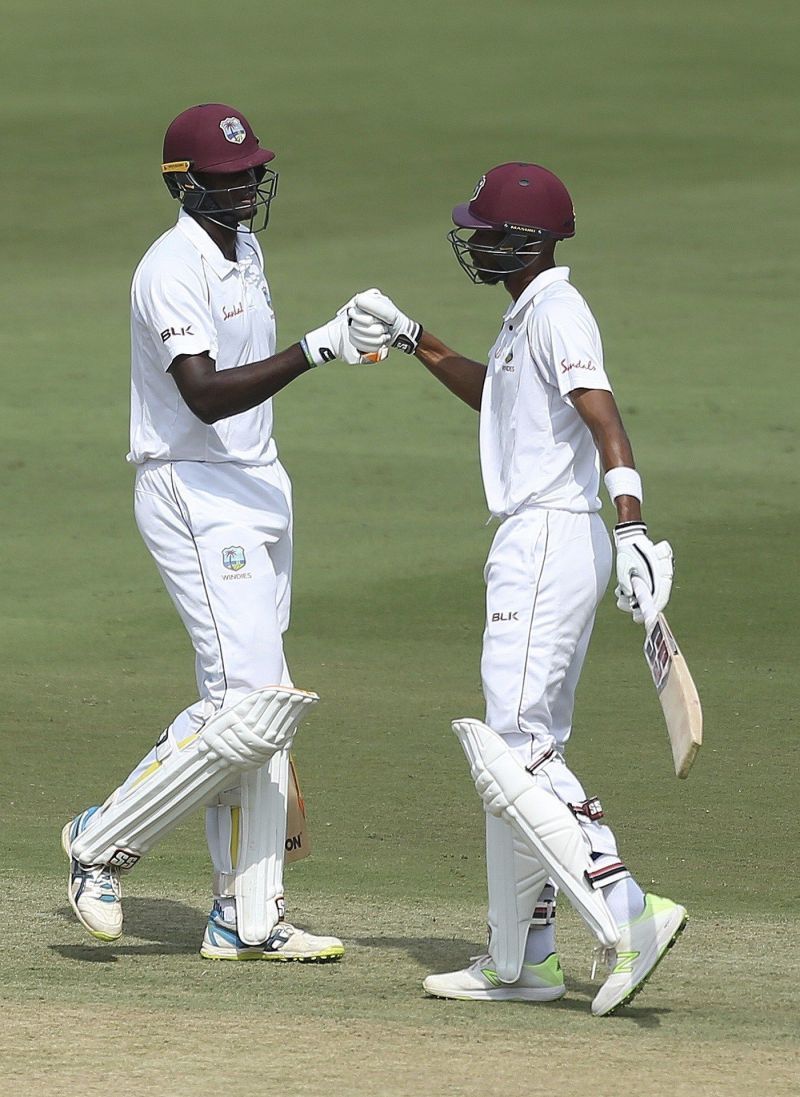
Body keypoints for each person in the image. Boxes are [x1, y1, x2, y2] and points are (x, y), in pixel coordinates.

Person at [349, 162, 685, 1015]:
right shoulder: (523, 316)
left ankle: (630, 909)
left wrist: (633, 524)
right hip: (536, 538)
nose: (474, 239)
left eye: (486, 229)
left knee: (519, 747)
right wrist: (416, 336)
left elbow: (602, 413)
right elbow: (498, 400)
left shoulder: (559, 309)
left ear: (526, 240)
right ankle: (521, 957)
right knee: (516, 750)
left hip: (548, 537)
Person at [61, 103, 390, 962]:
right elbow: (204, 392)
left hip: (259, 485)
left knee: (263, 707)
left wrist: (348, 340)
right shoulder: (168, 268)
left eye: (253, 173)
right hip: (192, 486)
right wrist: (321, 349)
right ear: (185, 182)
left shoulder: (244, 247)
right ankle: (98, 842)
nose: (248, 188)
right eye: (229, 176)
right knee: (245, 703)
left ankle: (247, 916)